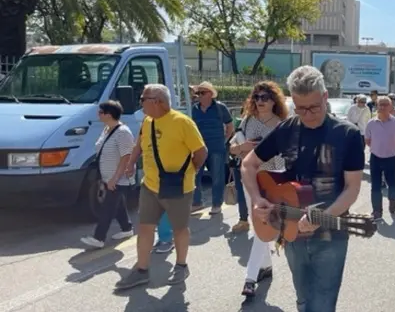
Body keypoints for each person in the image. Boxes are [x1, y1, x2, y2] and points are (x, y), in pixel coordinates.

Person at [240, 66, 364, 311]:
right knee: (303, 300)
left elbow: (352, 189)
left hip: (330, 235)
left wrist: (321, 217)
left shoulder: (348, 135)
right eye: (300, 108)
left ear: (325, 97)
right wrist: (257, 200)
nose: (307, 115)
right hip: (291, 232)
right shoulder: (287, 129)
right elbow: (248, 164)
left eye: (314, 107)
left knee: (322, 304)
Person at [115, 84, 207, 290]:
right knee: (145, 227)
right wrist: (131, 162)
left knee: (179, 229)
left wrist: (187, 171)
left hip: (178, 187)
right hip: (150, 185)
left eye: (143, 99)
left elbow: (201, 152)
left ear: (157, 101)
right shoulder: (148, 122)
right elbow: (139, 143)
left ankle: (181, 265)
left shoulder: (182, 122)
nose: (140, 103)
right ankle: (141, 270)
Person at [229, 81, 288, 298]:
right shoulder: (247, 121)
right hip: (250, 179)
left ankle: (250, 278)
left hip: (272, 179)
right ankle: (266, 266)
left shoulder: (282, 124)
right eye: (257, 97)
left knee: (262, 224)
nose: (260, 101)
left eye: (264, 98)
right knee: (258, 225)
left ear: (274, 100)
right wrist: (241, 148)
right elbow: (233, 148)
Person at [80, 100, 136, 248]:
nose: (98, 114)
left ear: (109, 114)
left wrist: (115, 178)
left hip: (118, 178)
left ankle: (99, 238)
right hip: (107, 176)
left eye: (101, 112)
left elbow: (126, 156)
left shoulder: (123, 132)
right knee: (118, 205)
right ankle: (127, 228)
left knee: (108, 207)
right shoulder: (106, 129)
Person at [191, 81, 234, 214]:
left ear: (210, 94)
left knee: (217, 176)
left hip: (216, 147)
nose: (199, 96)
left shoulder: (220, 108)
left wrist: (224, 140)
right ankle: (197, 202)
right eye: (198, 93)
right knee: (194, 176)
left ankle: (216, 204)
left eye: (202, 93)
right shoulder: (194, 109)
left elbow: (230, 126)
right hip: (198, 148)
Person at [365, 96, 395, 220]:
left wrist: (391, 145)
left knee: (392, 184)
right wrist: (378, 147)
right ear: (376, 106)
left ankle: (392, 200)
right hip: (375, 157)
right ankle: (377, 211)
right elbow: (368, 141)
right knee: (375, 186)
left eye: (385, 105)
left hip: (391, 157)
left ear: (390, 107)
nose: (382, 107)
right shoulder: (371, 123)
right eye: (380, 105)